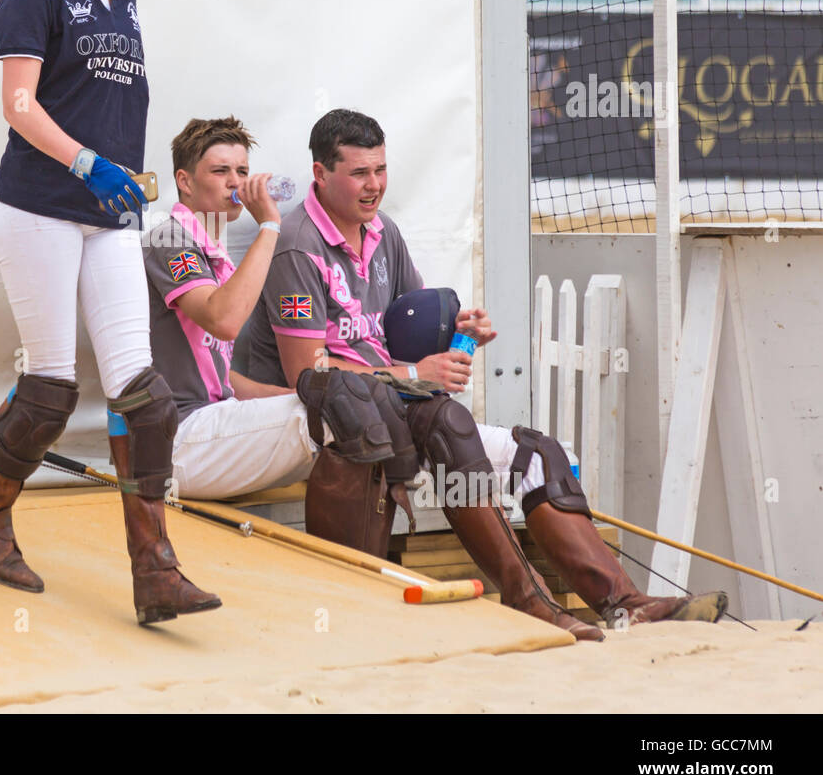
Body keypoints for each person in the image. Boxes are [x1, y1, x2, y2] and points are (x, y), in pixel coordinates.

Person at [150, 110, 725, 639]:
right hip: (212, 433)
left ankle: (603, 601)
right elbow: (295, 366)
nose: (374, 184)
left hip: (349, 408)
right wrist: (273, 228)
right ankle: (354, 607)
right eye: (359, 173)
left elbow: (394, 335)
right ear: (320, 175)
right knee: (354, 407)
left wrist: (456, 330)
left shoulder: (370, 235)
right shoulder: (266, 244)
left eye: (380, 170)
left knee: (527, 448)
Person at [0, 0, 219, 626]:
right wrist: (85, 165)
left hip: (108, 215)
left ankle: (156, 570)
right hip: (36, 206)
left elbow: (109, 104)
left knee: (146, 395)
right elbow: (19, 104)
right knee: (49, 390)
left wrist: (121, 179)